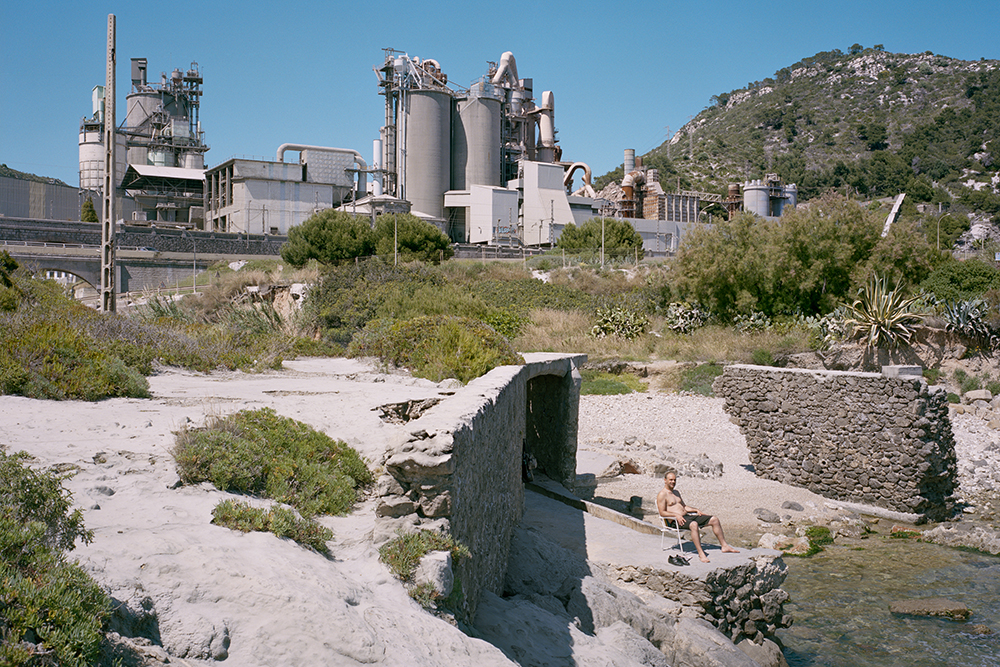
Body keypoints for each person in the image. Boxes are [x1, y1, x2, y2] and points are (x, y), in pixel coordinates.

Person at [656, 469, 740, 563]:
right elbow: (662, 512)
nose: (673, 482)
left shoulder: (676, 492)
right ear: (665, 480)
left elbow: (684, 507)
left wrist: (695, 510)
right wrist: (676, 515)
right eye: (671, 480)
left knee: (714, 519)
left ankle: (724, 546)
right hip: (674, 521)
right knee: (694, 524)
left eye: (674, 480)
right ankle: (701, 554)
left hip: (686, 517)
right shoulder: (662, 494)